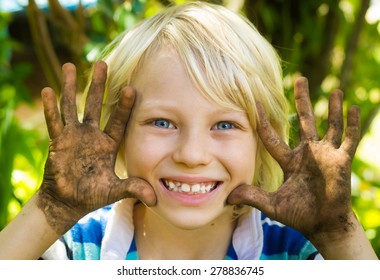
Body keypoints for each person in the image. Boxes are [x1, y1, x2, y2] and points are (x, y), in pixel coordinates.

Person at [0, 1, 377, 260]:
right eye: (162, 123)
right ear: (116, 133)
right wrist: (50, 210)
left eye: (225, 124)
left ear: (265, 142)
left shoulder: (294, 253)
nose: (192, 154)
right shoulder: (81, 251)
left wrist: (338, 233)